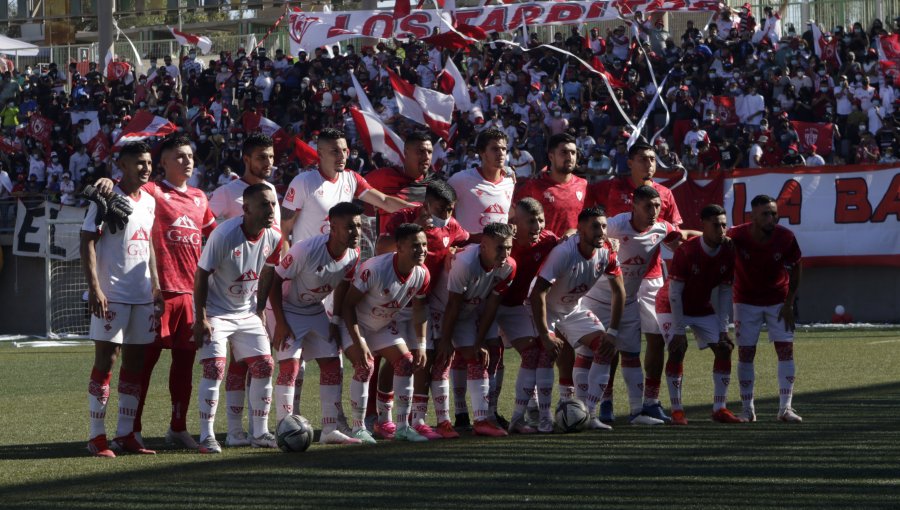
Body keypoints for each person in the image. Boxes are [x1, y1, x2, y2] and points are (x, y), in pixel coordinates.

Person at [95, 134, 217, 450]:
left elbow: (212, 242)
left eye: (190, 156)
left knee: (184, 366)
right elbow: (128, 184)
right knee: (141, 362)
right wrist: (107, 179)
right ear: (162, 163)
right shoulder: (153, 191)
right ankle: (131, 430)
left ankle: (178, 427)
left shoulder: (201, 198)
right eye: (179, 156)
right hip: (157, 294)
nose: (187, 161)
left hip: (190, 295)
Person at [586, 142, 687, 424]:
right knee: (611, 343)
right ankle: (604, 403)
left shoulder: (665, 194)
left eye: (654, 159)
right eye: (643, 159)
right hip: (610, 282)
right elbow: (593, 227)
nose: (650, 164)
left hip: (650, 276)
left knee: (654, 339)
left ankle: (650, 403)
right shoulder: (609, 188)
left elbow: (675, 234)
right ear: (629, 162)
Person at [82, 141, 163, 457]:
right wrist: (95, 288)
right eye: (139, 163)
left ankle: (126, 434)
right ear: (123, 166)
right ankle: (96, 436)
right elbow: (87, 240)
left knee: (136, 362)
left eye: (148, 162)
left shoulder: (149, 201)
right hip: (112, 294)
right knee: (107, 360)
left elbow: (149, 245)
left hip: (142, 296)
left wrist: (156, 285)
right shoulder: (105, 197)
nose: (146, 167)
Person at [193, 183, 282, 454]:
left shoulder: (274, 237)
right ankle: (207, 436)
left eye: (273, 204)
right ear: (246, 209)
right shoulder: (224, 234)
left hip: (246, 312)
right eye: (264, 204)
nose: (270, 210)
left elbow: (268, 271)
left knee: (265, 366)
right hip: (217, 313)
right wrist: (201, 317)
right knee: (215, 368)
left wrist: (260, 309)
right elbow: (201, 275)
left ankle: (259, 432)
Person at [268, 202, 364, 445]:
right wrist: (279, 322)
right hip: (285, 308)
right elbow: (273, 282)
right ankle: (284, 428)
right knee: (290, 367)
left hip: (314, 310)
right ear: (332, 227)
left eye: (359, 226)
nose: (356, 232)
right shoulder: (305, 250)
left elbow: (343, 283)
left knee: (333, 364)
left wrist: (335, 318)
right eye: (350, 227)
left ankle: (329, 430)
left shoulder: (354, 253)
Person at [380, 180, 469, 439]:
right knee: (395, 359)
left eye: (450, 209)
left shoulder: (451, 225)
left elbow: (465, 240)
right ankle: (383, 419)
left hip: (425, 301)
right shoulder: (403, 217)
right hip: (394, 299)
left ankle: (417, 419)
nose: (446, 215)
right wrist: (417, 228)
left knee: (423, 358)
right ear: (427, 204)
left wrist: (457, 249)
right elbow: (381, 248)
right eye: (441, 208)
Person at [206, 133, 279, 447]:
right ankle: (232, 430)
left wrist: (261, 303)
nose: (268, 163)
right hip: (222, 296)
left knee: (259, 362)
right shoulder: (226, 193)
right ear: (246, 159)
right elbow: (206, 229)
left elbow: (271, 252)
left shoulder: (271, 191)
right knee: (230, 364)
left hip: (251, 296)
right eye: (262, 157)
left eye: (272, 157)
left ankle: (255, 431)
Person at [530, 207, 625, 430]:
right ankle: (544, 419)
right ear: (580, 230)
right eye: (595, 226)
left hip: (573, 308)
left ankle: (590, 415)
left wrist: (613, 332)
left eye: (603, 226)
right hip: (546, 309)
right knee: (549, 355)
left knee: (606, 347)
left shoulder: (607, 251)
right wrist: (545, 334)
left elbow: (619, 291)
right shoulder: (564, 253)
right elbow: (538, 293)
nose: (601, 231)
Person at [341, 223, 431, 443]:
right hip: (355, 324)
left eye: (424, 245)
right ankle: (358, 428)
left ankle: (402, 427)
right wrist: (359, 341)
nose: (421, 250)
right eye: (415, 246)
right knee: (366, 366)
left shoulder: (422, 274)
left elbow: (420, 310)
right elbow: (347, 306)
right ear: (399, 247)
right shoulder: (375, 269)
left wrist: (420, 344)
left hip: (382, 326)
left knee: (405, 362)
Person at [656, 204, 745, 425]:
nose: (721, 230)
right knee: (678, 350)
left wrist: (724, 330)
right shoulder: (687, 251)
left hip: (700, 306)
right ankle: (677, 411)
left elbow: (725, 291)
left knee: (725, 348)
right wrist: (678, 331)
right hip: (670, 304)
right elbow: (675, 293)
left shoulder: (728, 250)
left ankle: (719, 408)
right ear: (703, 226)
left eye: (724, 225)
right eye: (716, 225)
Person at [433, 222, 517, 437]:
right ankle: (443, 421)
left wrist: (479, 341)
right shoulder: (465, 263)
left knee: (483, 354)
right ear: (484, 246)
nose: (505, 253)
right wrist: (446, 339)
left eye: (508, 247)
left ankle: (483, 419)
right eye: (500, 248)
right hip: (441, 311)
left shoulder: (509, 266)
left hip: (468, 311)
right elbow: (452, 304)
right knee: (441, 358)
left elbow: (492, 306)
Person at [728, 195, 803, 423]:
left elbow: (797, 268)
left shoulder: (786, 237)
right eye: (766, 214)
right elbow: (713, 241)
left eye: (774, 213)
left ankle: (785, 408)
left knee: (785, 351)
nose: (772, 218)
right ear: (753, 217)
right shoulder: (737, 235)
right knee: (746, 353)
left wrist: (790, 303)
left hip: (778, 301)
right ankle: (747, 409)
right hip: (745, 301)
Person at [280, 128, 412, 243]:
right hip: (307, 266)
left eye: (345, 150)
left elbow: (385, 201)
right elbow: (284, 230)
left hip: (341, 265)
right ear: (320, 153)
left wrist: (416, 209)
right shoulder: (302, 181)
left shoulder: (352, 178)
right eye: (335, 151)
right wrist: (285, 268)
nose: (342, 156)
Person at [502, 198, 560, 433]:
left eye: (540, 220)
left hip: (515, 307)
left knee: (538, 351)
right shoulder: (504, 241)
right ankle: (475, 416)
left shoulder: (548, 240)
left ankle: (536, 417)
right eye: (531, 221)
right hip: (488, 306)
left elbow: (570, 240)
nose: (537, 226)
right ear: (515, 223)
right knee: (486, 358)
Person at [513, 133, 587, 237]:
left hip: (574, 251)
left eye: (573, 153)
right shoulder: (535, 185)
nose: (570, 157)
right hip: (542, 251)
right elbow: (512, 214)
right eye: (564, 152)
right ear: (551, 156)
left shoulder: (583, 185)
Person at [448, 128, 515, 237]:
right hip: (467, 250)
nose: (501, 153)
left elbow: (509, 213)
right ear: (481, 152)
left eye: (503, 149)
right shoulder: (460, 179)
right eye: (495, 149)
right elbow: (438, 209)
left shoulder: (510, 182)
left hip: (499, 251)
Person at [364, 130, 434, 233]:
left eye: (430, 152)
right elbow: (352, 190)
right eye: (421, 151)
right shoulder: (384, 176)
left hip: (420, 247)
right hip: (387, 247)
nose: (427, 157)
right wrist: (368, 214)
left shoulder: (436, 186)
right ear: (406, 152)